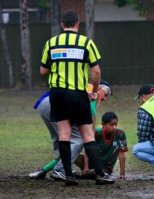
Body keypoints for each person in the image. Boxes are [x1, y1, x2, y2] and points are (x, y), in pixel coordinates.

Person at [39, 10, 113, 186]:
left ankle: (69, 176)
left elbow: (43, 70)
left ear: (62, 25)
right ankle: (101, 175)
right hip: (77, 93)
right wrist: (94, 90)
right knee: (87, 134)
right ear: (78, 24)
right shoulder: (86, 43)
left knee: (64, 134)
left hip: (57, 93)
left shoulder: (51, 43)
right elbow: (96, 71)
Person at [29, 82, 112, 180]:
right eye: (105, 95)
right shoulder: (94, 92)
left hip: (44, 103)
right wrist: (86, 165)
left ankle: (44, 170)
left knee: (62, 140)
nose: (104, 98)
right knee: (79, 139)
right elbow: (89, 134)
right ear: (99, 89)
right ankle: (60, 169)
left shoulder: (83, 85)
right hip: (56, 104)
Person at [75, 112, 128, 180]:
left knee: (96, 173)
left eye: (116, 124)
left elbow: (122, 153)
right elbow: (87, 150)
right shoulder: (96, 133)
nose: (114, 127)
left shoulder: (120, 134)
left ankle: (89, 173)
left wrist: (122, 173)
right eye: (111, 124)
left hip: (106, 167)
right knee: (72, 153)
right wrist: (86, 167)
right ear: (103, 124)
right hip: (91, 162)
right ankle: (66, 171)